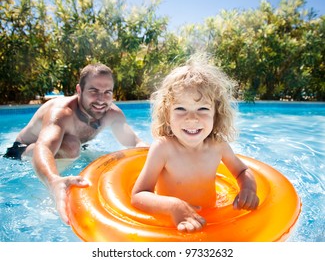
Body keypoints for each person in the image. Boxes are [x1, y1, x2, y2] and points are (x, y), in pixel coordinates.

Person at [4, 63, 147, 225]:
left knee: (109, 159)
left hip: (74, 148)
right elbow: (44, 148)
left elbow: (134, 142)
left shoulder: (112, 114)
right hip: (22, 151)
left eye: (107, 92)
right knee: (72, 146)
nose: (101, 99)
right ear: (79, 90)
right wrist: (53, 181)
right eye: (94, 91)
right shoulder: (62, 113)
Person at [131, 56, 259, 233]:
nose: (191, 118)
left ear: (217, 114)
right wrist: (173, 206)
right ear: (167, 115)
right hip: (171, 224)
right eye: (180, 109)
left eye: (203, 109)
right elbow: (138, 195)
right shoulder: (163, 148)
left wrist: (248, 189)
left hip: (211, 218)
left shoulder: (218, 146)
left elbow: (242, 171)